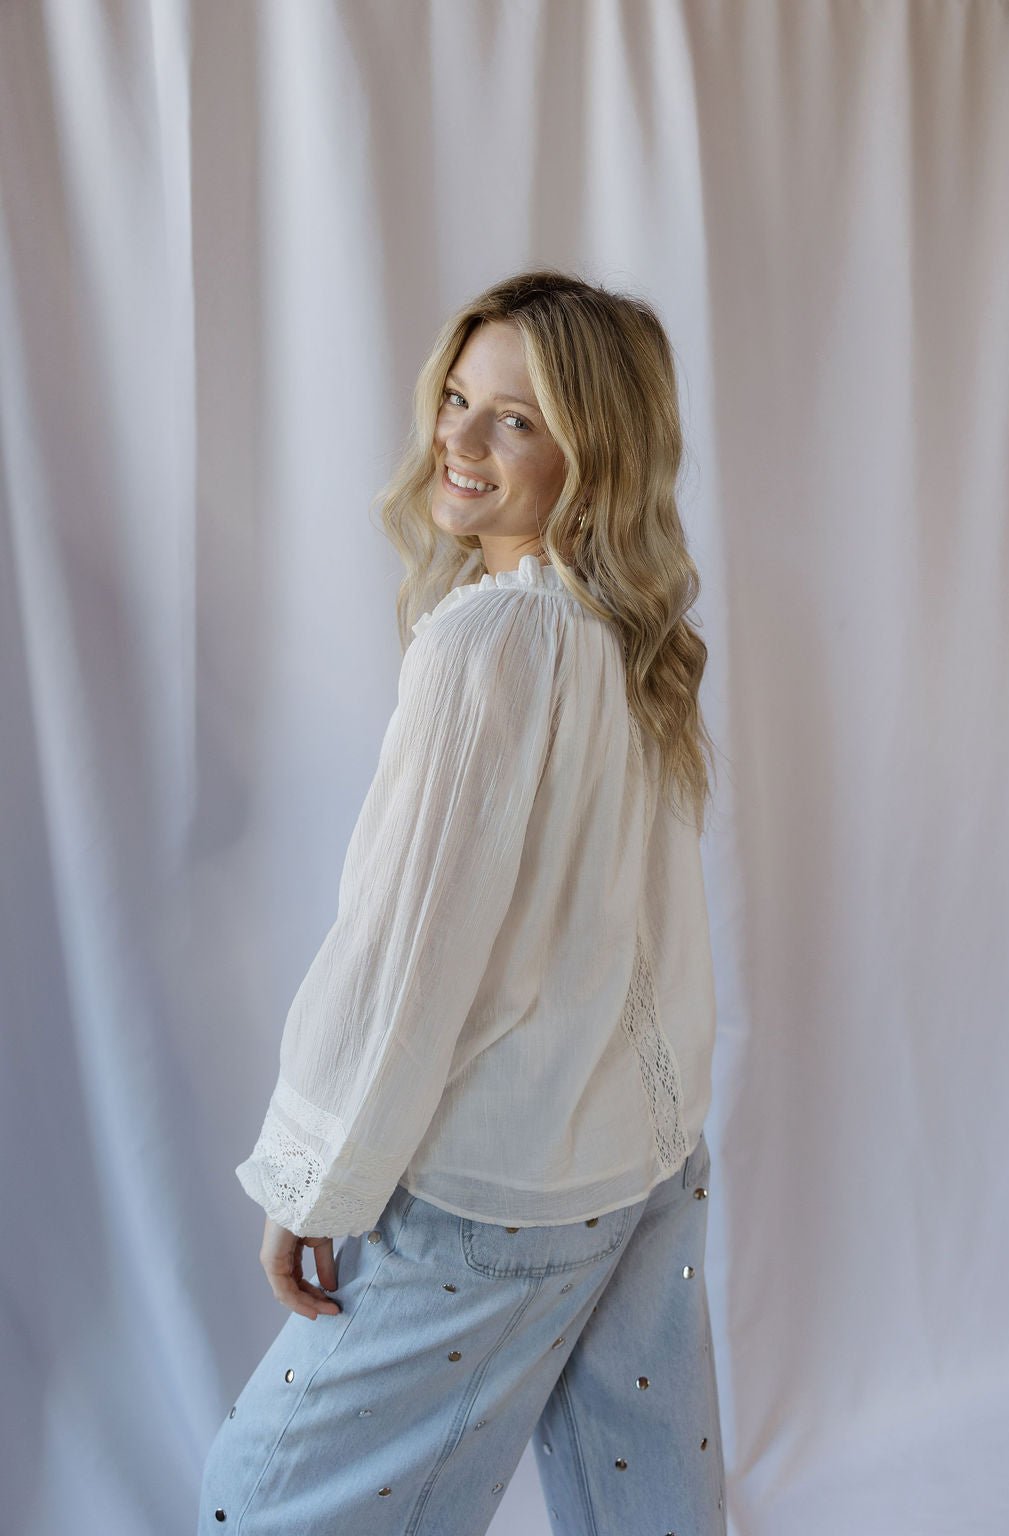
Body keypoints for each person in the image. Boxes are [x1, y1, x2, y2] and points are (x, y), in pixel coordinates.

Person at [197, 268, 727, 1534]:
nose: (460, 437)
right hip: (639, 1157)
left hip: (495, 1191)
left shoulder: (487, 643)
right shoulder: (627, 635)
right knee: (642, 1503)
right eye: (456, 397)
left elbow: (403, 950)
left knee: (259, 1501)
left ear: (593, 454)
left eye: (516, 419)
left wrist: (313, 1183)